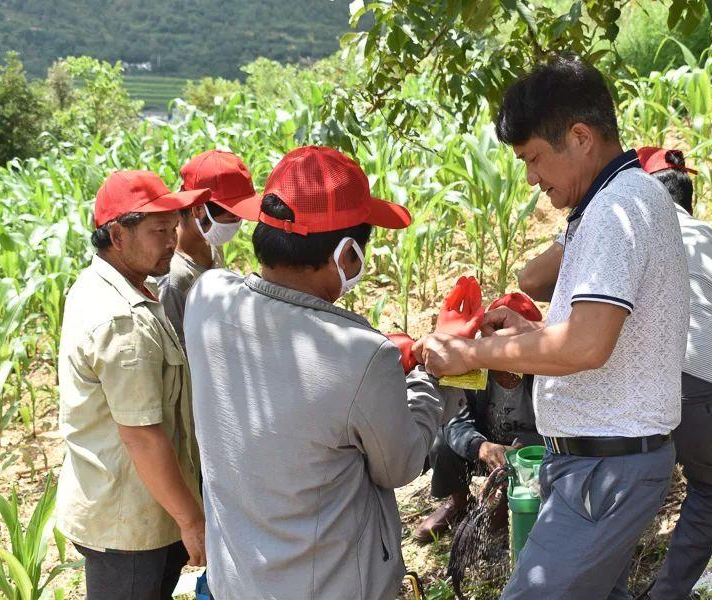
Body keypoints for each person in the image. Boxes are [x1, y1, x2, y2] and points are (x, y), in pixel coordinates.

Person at [414, 56, 690, 599]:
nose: (532, 176)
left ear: (581, 137)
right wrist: (519, 332)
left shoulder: (616, 210)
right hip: (600, 461)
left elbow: (586, 345)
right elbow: (596, 329)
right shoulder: (607, 205)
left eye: (535, 157)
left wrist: (477, 355)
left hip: (605, 468)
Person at [184, 146, 456, 600]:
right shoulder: (361, 357)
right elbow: (401, 463)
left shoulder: (208, 298)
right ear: (346, 253)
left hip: (238, 582)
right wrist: (427, 378)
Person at [518, 147, 712, 599]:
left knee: (612, 495)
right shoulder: (706, 236)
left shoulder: (611, 215)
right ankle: (668, 594)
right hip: (703, 386)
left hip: (623, 398)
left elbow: (532, 281)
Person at [56, 170, 210, 600]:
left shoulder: (117, 288)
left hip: (135, 508)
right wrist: (192, 521)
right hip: (127, 523)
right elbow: (142, 436)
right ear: (117, 235)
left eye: (173, 228)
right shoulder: (121, 320)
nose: (172, 241)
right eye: (159, 230)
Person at [414, 293, 544, 543]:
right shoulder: (472, 372)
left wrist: (523, 452)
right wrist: (482, 447)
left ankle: (511, 505)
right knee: (442, 439)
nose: (507, 365)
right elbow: (455, 421)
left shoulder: (547, 377)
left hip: (531, 452)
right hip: (486, 447)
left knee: (530, 467)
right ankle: (458, 502)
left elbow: (558, 429)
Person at [157, 149, 260, 350]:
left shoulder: (211, 240)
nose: (236, 224)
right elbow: (179, 354)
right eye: (230, 218)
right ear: (197, 209)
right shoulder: (173, 279)